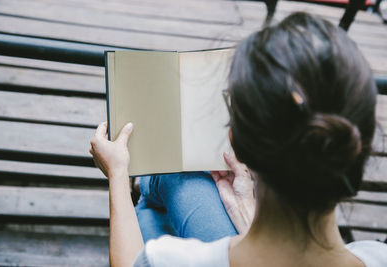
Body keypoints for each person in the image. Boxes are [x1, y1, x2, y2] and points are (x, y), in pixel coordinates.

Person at [89, 12, 387, 267]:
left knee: (166, 194)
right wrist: (247, 219)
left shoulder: (170, 259)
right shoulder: (378, 257)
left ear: (236, 145)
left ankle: (140, 187)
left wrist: (117, 174)